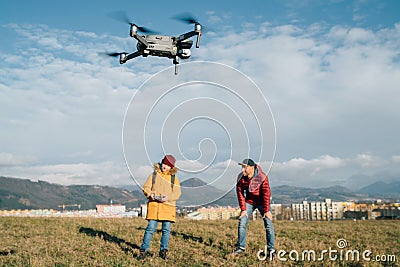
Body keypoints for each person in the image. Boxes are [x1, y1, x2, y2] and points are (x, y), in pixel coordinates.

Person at [138, 154, 181, 260]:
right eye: (164, 163)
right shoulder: (153, 175)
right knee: (150, 229)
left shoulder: (173, 178)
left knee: (166, 230)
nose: (165, 166)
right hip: (154, 207)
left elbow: (177, 192)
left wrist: (168, 197)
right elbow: (146, 188)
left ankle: (163, 251)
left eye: (167, 165)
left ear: (171, 167)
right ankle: (143, 251)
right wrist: (150, 194)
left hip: (168, 207)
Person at [234, 158, 275, 258]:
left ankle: (271, 249)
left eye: (245, 167)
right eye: (242, 167)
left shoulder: (262, 177)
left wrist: (266, 210)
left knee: (268, 224)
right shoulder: (241, 177)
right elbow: (240, 193)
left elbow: (266, 194)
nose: (243, 169)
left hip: (262, 202)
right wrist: (243, 209)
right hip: (249, 202)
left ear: (252, 168)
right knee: (242, 223)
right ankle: (241, 248)